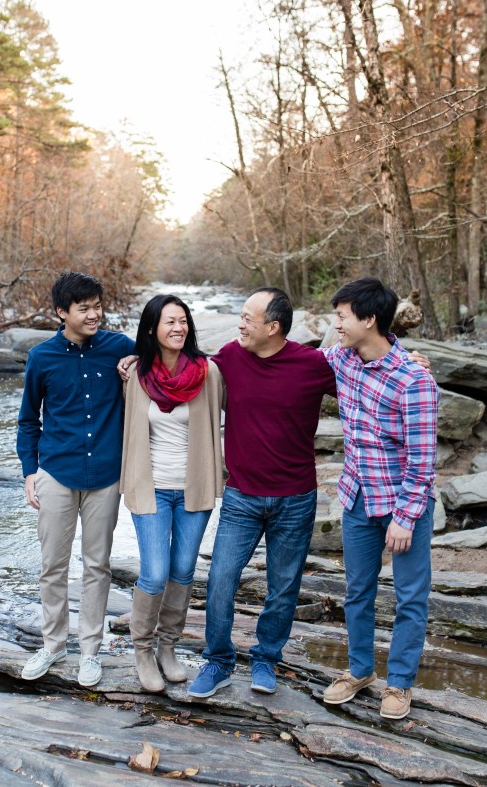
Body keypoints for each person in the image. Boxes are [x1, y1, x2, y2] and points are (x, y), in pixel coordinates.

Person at [187, 287, 338, 698]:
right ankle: (218, 661)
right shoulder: (230, 359)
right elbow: (181, 371)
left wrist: (408, 360)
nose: (240, 324)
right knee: (220, 580)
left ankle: (266, 659)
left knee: (283, 587)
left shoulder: (312, 365)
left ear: (273, 327)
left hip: (296, 498)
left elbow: (366, 378)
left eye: (248, 318)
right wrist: (134, 359)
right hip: (241, 497)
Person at [322, 277, 438, 720]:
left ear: (369, 319)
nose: (336, 323)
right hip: (356, 498)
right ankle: (360, 670)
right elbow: (293, 363)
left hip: (403, 505)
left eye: (342, 316)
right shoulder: (342, 360)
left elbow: (422, 461)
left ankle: (401, 683)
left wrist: (405, 518)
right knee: (357, 591)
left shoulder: (414, 380)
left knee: (410, 596)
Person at [17, 271, 135, 687]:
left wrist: (137, 363)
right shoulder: (41, 357)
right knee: (52, 565)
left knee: (97, 565)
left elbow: (158, 367)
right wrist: (30, 473)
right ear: (61, 312)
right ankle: (52, 645)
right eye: (83, 308)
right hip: (56, 473)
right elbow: (29, 421)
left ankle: (90, 651)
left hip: (105, 475)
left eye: (97, 306)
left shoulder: (120, 347)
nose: (93, 314)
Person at [120, 295, 224, 692]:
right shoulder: (134, 375)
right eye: (170, 322)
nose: (179, 328)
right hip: (151, 489)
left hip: (193, 488)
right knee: (155, 572)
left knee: (183, 570)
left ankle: (168, 648)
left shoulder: (208, 372)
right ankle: (142, 651)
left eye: (183, 321)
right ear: (151, 329)